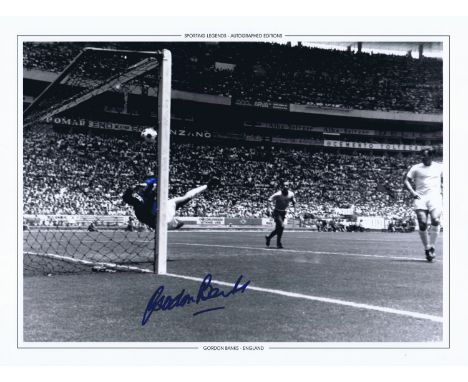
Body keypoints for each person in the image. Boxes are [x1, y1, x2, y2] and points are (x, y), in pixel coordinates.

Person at [123, 175, 219, 230]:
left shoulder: (144, 191)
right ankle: (176, 223)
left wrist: (146, 184)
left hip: (161, 209)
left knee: (186, 198)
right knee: (180, 219)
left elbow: (153, 179)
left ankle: (207, 186)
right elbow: (126, 198)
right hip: (158, 219)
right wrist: (132, 188)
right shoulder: (139, 198)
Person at [404, 148, 443, 262]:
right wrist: (412, 192)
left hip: (435, 197)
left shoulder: (439, 167)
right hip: (420, 197)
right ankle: (427, 248)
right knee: (422, 222)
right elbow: (406, 180)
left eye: (424, 155)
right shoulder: (416, 167)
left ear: (431, 156)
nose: (422, 157)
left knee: (436, 220)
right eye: (421, 155)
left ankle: (431, 247)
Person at [265, 183, 296, 249]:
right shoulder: (278, 194)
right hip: (277, 212)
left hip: (283, 212)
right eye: (284, 185)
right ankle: (278, 243)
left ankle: (269, 238)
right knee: (281, 226)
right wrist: (268, 209)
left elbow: (293, 201)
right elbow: (269, 200)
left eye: (286, 185)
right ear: (282, 187)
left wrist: (294, 209)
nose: (285, 186)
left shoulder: (291, 194)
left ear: (289, 187)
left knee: (279, 229)